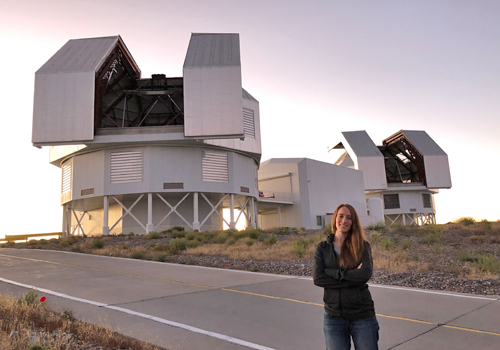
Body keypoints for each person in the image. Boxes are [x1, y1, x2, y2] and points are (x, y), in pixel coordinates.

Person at [313, 204, 379, 350]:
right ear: (335, 218)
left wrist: (331, 273)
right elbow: (318, 278)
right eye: (341, 216)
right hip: (333, 317)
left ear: (353, 221)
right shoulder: (323, 248)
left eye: (349, 217)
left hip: (362, 316)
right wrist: (351, 276)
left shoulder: (362, 246)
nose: (344, 220)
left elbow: (364, 275)